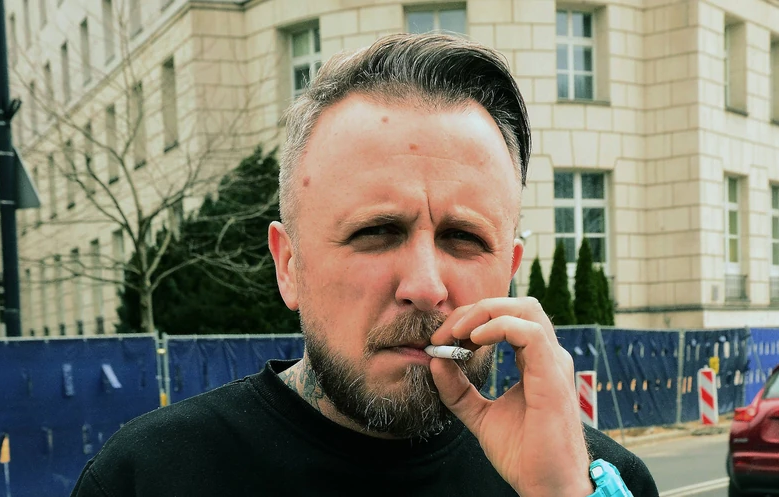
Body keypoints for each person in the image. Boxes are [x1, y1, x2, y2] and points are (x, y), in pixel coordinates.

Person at [71, 33, 658, 497]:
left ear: (509, 269)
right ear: (289, 265)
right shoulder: (146, 478)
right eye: (376, 233)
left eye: (463, 238)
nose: (425, 286)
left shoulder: (590, 480)